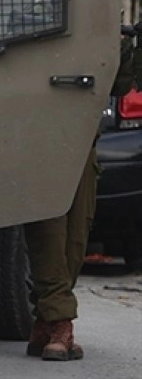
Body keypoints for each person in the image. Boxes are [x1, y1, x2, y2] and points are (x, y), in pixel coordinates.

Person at [23, 25, 140, 360]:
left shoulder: (99, 30)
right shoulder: (42, 24)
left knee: (75, 243)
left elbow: (119, 86)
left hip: (83, 147)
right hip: (43, 145)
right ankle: (61, 324)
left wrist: (121, 47)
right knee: (48, 237)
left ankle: (44, 322)